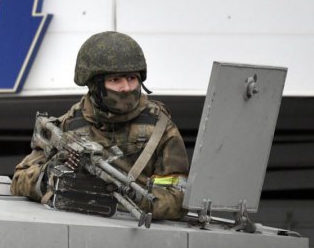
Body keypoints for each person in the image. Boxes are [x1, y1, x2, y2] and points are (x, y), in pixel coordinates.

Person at [10, 31, 189, 220]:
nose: (126, 88)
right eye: (115, 80)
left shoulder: (160, 129)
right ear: (95, 85)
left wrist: (133, 197)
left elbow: (179, 198)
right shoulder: (68, 126)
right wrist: (50, 173)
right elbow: (19, 180)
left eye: (132, 78)